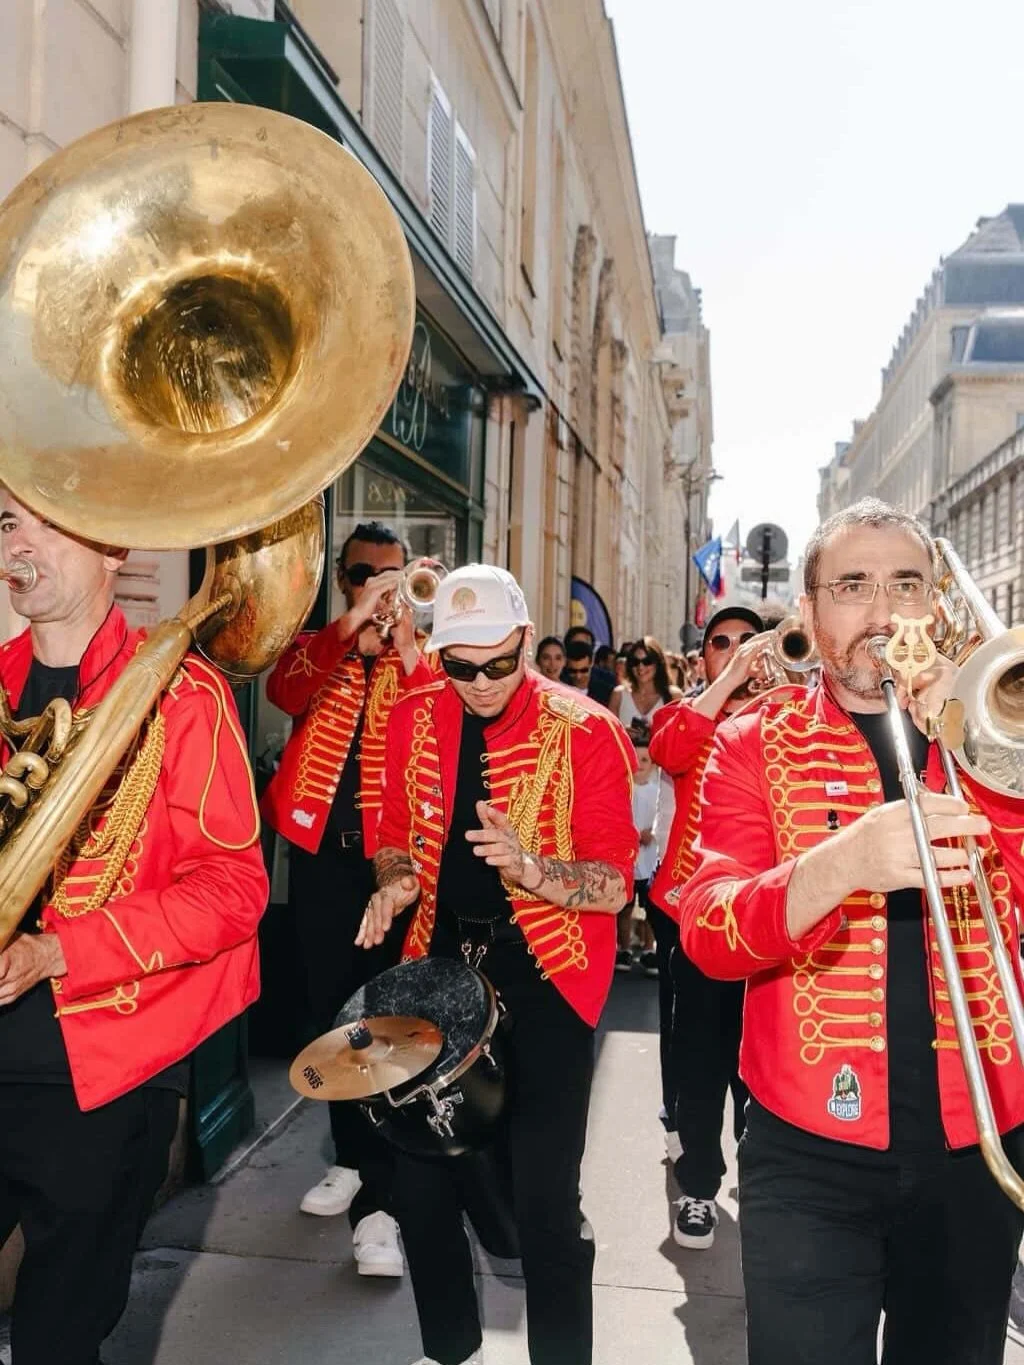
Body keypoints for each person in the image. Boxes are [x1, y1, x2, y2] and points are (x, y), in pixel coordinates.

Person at [678, 498, 1024, 1365]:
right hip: (808, 1149)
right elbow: (710, 931)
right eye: (853, 586)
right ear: (809, 611)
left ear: (936, 606)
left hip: (979, 1142)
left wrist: (982, 750)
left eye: (906, 584)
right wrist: (842, 864)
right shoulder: (751, 742)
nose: (881, 613)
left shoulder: (994, 732)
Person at [0, 490, 269, 1365]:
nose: (19, 541)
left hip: (104, 1073)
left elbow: (233, 887)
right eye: (8, 522)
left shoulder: (183, 694)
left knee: (58, 1341)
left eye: (46, 518)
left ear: (115, 544)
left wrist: (56, 950)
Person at [357, 564, 637, 1365]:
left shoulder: (585, 730)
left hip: (548, 977)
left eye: (497, 662)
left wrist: (530, 868)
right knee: (417, 1182)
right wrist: (396, 877)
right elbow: (390, 827)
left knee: (547, 1201)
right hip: (439, 970)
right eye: (459, 665)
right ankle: (453, 1350)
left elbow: (616, 881)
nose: (479, 683)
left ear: (524, 640)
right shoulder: (412, 716)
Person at [261, 520, 432, 1275]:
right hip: (323, 866)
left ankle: (386, 1201)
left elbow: (441, 711)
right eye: (366, 573)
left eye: (393, 572)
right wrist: (352, 626)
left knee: (386, 1025)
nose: (380, 584)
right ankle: (355, 1159)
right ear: (345, 577)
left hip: (391, 870)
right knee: (333, 1018)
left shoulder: (419, 656)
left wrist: (404, 636)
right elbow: (281, 687)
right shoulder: (322, 644)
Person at [648, 604, 767, 1248]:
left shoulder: (790, 714)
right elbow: (668, 749)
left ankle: (765, 1170)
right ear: (705, 657)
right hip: (700, 917)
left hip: (773, 917)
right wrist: (726, 684)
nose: (738, 650)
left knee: (761, 1062)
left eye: (750, 642)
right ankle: (698, 1187)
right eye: (723, 643)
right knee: (698, 1057)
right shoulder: (684, 713)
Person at [616, 736, 660, 974]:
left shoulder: (658, 791)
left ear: (653, 764)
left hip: (649, 857)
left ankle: (649, 949)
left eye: (646, 760)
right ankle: (623, 949)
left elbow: (663, 818)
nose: (641, 764)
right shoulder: (621, 789)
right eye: (636, 759)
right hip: (626, 858)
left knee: (650, 907)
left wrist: (650, 833)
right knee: (624, 907)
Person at [609, 635, 683, 744]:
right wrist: (623, 733)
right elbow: (607, 736)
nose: (641, 667)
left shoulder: (674, 696)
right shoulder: (619, 695)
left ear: (658, 664)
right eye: (635, 662)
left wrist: (655, 733)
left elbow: (681, 738)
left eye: (647, 661)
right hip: (627, 759)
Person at [564, 625, 616, 706]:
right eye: (576, 646)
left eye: (584, 670)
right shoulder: (559, 683)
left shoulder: (608, 683)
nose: (578, 676)